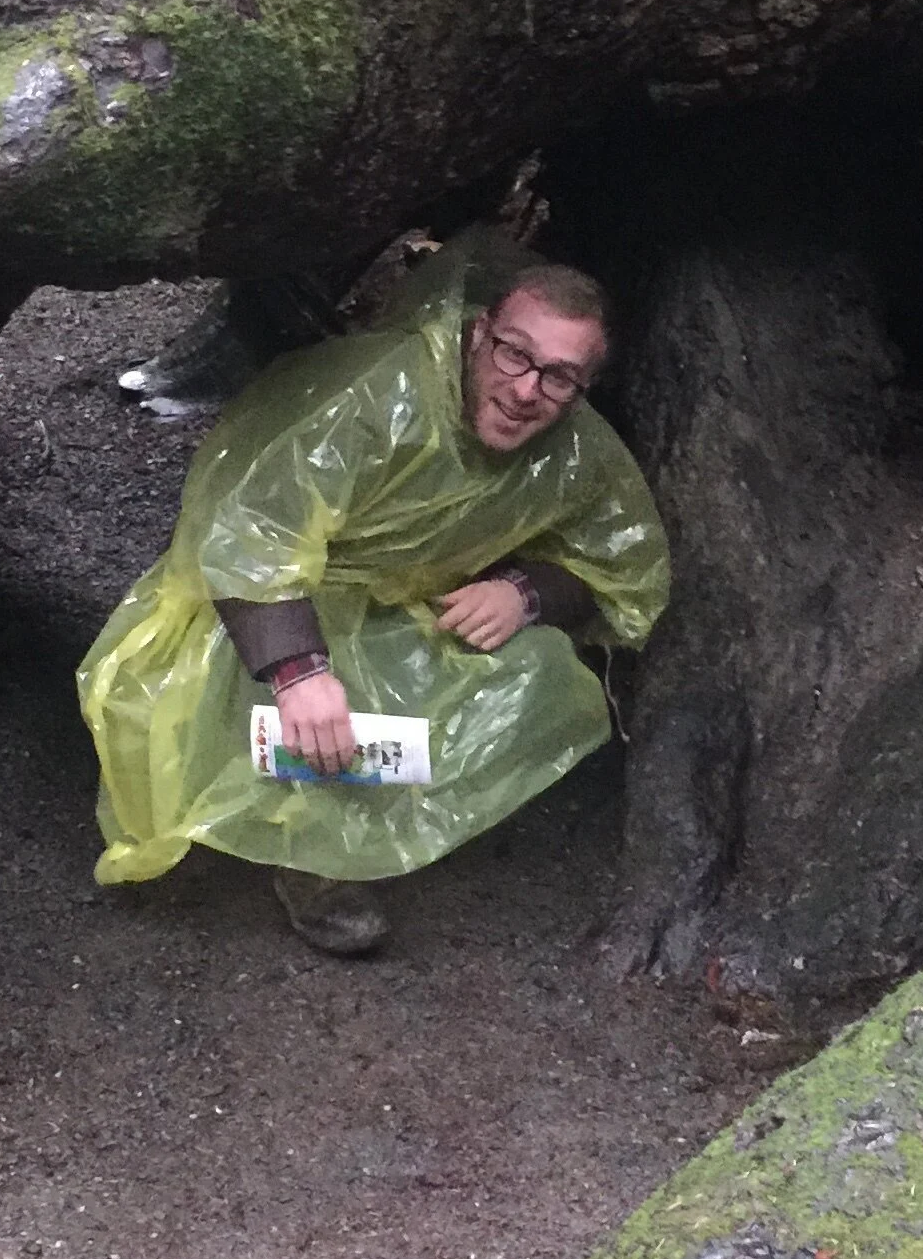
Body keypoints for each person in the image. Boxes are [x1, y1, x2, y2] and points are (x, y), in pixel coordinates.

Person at [77, 247, 669, 953]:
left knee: (540, 673)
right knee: (281, 698)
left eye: (559, 377)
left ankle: (355, 829)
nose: (525, 390)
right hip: (271, 604)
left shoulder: (577, 453)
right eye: (515, 354)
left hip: (406, 610)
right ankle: (314, 859)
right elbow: (250, 534)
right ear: (480, 333)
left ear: (584, 387)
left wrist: (526, 593)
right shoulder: (376, 395)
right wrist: (297, 670)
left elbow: (620, 565)